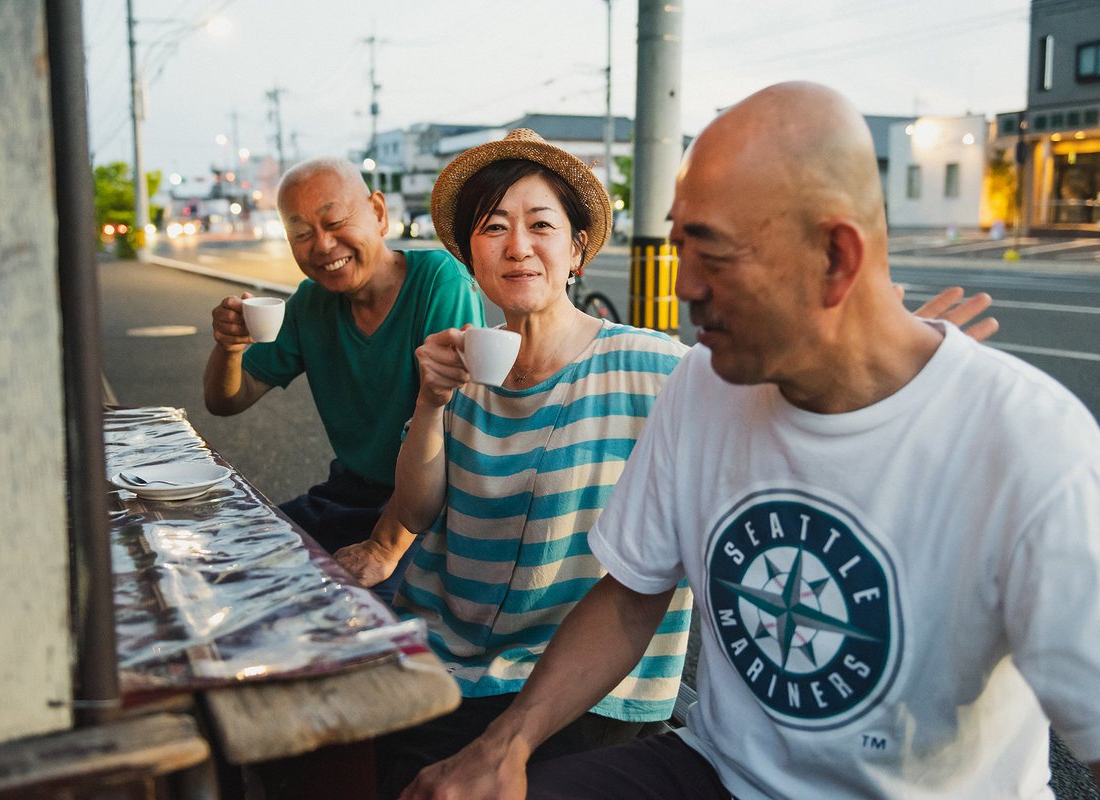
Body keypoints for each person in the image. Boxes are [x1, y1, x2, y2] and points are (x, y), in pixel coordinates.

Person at [400, 83, 1100, 800]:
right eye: (680, 246)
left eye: (715, 254)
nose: (686, 288)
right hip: (716, 771)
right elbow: (629, 598)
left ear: (836, 259)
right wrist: (504, 746)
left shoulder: (1030, 445)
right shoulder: (703, 384)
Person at [337, 129, 694, 797]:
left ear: (576, 249)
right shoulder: (458, 363)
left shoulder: (655, 367)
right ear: (470, 253)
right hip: (445, 654)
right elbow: (413, 511)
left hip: (581, 684)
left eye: (540, 225)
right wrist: (433, 401)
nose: (518, 246)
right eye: (493, 227)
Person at [204, 157, 486, 602]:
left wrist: (384, 546)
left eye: (335, 221)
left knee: (356, 613)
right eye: (301, 233)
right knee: (229, 559)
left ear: (378, 212)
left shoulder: (438, 281)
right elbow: (227, 400)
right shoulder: (308, 304)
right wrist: (229, 348)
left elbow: (456, 433)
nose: (322, 245)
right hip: (348, 493)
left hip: (429, 508)